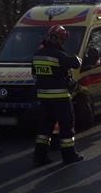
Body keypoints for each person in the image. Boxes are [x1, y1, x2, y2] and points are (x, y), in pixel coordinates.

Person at [31, 25, 83, 166]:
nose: (63, 41)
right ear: (56, 38)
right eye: (61, 38)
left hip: (44, 98)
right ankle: (69, 155)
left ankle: (40, 156)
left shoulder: (37, 55)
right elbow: (75, 63)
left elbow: (34, 75)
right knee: (66, 126)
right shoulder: (59, 55)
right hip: (60, 98)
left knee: (44, 128)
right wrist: (78, 58)